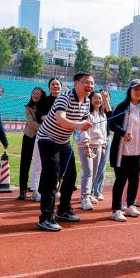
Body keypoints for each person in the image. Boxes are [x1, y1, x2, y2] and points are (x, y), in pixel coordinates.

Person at [35, 72, 93, 232]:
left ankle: (64, 210)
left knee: (71, 176)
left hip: (64, 141)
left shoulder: (87, 102)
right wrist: (78, 125)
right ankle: (45, 218)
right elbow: (60, 119)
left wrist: (85, 134)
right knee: (52, 177)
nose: (89, 85)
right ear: (76, 83)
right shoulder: (64, 98)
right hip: (47, 139)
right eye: (86, 82)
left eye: (91, 83)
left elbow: (84, 121)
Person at [109, 79, 140, 222]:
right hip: (122, 151)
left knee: (134, 179)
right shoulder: (123, 106)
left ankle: (130, 205)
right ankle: (116, 209)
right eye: (136, 89)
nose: (139, 92)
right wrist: (123, 133)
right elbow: (112, 123)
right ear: (130, 91)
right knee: (121, 180)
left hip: (137, 150)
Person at [30, 77, 62, 202]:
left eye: (57, 84)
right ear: (49, 87)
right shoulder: (44, 101)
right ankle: (35, 191)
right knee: (37, 163)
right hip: (44, 135)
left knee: (56, 164)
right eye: (53, 84)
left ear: (61, 86)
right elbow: (40, 116)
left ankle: (54, 189)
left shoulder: (64, 100)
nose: (55, 86)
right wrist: (56, 117)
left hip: (59, 136)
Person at [77, 90, 108, 211]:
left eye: (100, 98)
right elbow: (83, 130)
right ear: (90, 100)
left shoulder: (102, 115)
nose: (98, 100)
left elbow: (104, 132)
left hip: (98, 146)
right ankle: (84, 198)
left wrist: (103, 145)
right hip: (87, 146)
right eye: (95, 98)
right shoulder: (86, 114)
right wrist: (86, 145)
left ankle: (88, 194)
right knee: (88, 171)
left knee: (94, 172)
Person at [17, 87, 46, 200]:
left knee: (41, 164)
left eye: (38, 93)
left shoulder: (45, 107)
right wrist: (44, 128)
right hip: (29, 136)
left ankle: (38, 189)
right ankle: (23, 191)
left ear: (42, 95)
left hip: (42, 137)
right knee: (25, 163)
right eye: (33, 93)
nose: (35, 95)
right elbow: (31, 122)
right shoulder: (28, 107)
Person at [92, 88, 113, 201]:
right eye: (100, 96)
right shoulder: (94, 110)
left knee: (102, 167)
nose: (103, 98)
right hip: (93, 142)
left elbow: (111, 117)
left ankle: (98, 191)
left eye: (106, 96)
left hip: (106, 140)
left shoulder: (109, 110)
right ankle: (89, 191)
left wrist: (106, 101)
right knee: (91, 166)